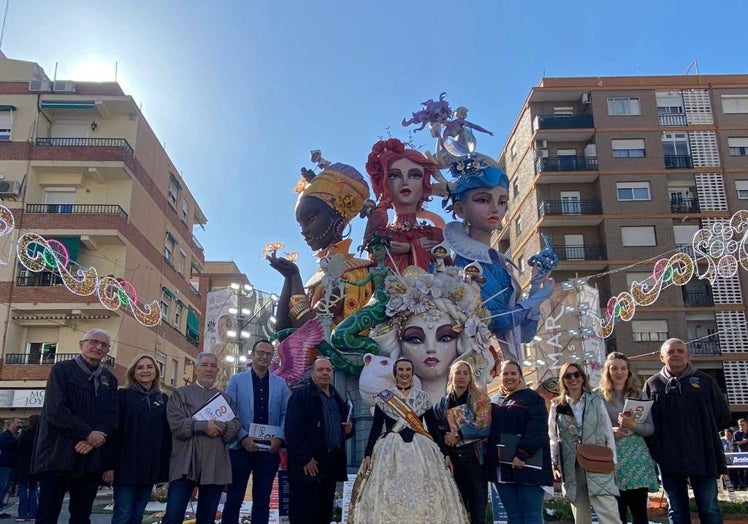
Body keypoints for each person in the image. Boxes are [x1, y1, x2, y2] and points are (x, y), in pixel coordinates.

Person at [442, 155, 553, 361]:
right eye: (483, 200)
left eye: (502, 202)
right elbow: (495, 321)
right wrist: (538, 297)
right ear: (460, 209)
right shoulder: (466, 264)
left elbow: (525, 335)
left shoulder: (498, 261)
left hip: (505, 365)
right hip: (471, 360)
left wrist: (536, 285)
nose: (495, 209)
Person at [349, 358, 468, 524]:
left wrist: (445, 454)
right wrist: (368, 454)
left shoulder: (422, 397)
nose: (404, 373)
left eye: (408, 370)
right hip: (390, 450)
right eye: (401, 370)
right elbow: (376, 428)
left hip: (421, 450)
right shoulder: (384, 398)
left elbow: (433, 428)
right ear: (395, 373)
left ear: (412, 373)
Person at [367, 265, 495, 404]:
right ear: (398, 344)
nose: (430, 348)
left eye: (445, 338)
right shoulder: (387, 404)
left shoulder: (476, 404)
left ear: (462, 342)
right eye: (415, 339)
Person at [32, 328, 119, 524]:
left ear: (108, 350)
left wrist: (96, 438)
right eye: (93, 342)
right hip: (57, 456)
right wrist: (88, 434)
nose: (98, 347)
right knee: (47, 515)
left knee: (81, 516)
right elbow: (56, 410)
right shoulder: (61, 370)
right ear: (82, 344)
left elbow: (113, 416)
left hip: (90, 460)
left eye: (103, 345)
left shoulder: (109, 380)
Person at [644, 338, 730, 524]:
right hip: (668, 458)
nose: (676, 354)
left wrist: (700, 434)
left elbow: (722, 415)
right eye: (671, 352)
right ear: (661, 357)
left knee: (709, 508)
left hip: (703, 455)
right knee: (676, 510)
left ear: (688, 356)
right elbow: (646, 420)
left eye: (680, 351)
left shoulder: (705, 382)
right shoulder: (652, 385)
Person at [162, 352, 241, 524]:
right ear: (196, 369)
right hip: (185, 463)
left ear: (217, 370)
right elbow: (176, 425)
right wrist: (204, 426)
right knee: (173, 516)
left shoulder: (225, 399)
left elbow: (235, 425)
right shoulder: (180, 394)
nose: (209, 369)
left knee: (207, 518)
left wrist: (221, 427)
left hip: (215, 464)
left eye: (213, 366)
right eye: (204, 365)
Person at [222, 340, 290, 524]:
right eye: (260, 352)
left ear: (272, 358)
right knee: (233, 500)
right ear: (252, 355)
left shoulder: (281, 384)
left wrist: (280, 438)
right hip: (240, 448)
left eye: (268, 354)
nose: (264, 357)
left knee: (262, 502)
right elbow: (229, 412)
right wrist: (242, 437)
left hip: (269, 451)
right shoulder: (236, 381)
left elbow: (286, 413)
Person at [549, 362, 620, 524]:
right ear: (563, 380)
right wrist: (554, 463)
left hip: (598, 460)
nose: (573, 378)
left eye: (576, 374)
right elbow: (553, 436)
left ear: (582, 378)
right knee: (581, 515)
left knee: (608, 511)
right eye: (568, 376)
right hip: (571, 464)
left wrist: (613, 460)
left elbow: (607, 430)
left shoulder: (596, 400)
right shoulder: (557, 405)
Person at [284, 357, 353, 524]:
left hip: (330, 463)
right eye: (320, 369)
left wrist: (349, 430)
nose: (324, 373)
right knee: (304, 513)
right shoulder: (301, 396)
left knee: (324, 513)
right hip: (308, 465)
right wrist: (306, 459)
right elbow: (292, 431)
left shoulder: (337, 398)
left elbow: (341, 428)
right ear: (312, 372)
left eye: (328, 370)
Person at [363, 138, 444, 272]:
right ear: (383, 182)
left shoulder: (435, 235)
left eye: (415, 175)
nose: (405, 182)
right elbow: (373, 264)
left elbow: (447, 273)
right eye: (394, 176)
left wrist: (412, 248)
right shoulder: (382, 234)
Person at [487, 360, 553, 524]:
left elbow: (537, 429)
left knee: (531, 517)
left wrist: (522, 454)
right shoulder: (494, 400)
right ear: (500, 376)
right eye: (505, 373)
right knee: (513, 517)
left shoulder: (532, 398)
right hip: (502, 467)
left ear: (520, 376)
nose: (509, 377)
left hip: (527, 465)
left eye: (513, 373)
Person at [108, 354, 171, 524]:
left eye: (149, 367)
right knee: (123, 514)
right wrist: (109, 466)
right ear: (133, 372)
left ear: (156, 372)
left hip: (149, 469)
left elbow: (167, 437)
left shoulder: (163, 399)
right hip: (125, 468)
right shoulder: (121, 396)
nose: (145, 371)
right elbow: (112, 433)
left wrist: (164, 471)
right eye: (140, 367)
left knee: (137, 515)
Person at [597, 352, 658, 524]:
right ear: (607, 371)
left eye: (623, 368)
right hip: (611, 456)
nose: (619, 372)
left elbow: (650, 429)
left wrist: (634, 426)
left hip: (636, 457)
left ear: (629, 371)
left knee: (639, 512)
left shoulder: (639, 395)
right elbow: (591, 429)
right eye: (614, 368)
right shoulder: (596, 396)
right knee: (617, 512)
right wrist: (610, 432)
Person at [434, 361, 492, 524]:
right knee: (456, 505)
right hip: (452, 459)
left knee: (477, 505)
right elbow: (436, 427)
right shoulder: (443, 402)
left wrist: (458, 434)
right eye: (458, 373)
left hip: (474, 457)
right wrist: (444, 438)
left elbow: (484, 426)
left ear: (470, 377)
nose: (461, 377)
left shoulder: (480, 398)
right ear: (452, 376)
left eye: (465, 373)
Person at [15, 415, 39, 521]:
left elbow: (19, 448)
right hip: (35, 464)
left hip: (23, 464)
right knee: (33, 489)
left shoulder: (25, 434)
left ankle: (23, 514)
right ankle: (33, 512)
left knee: (23, 489)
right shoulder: (40, 435)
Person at [0, 417, 19, 512]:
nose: (19, 424)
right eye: (17, 422)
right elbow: (8, 445)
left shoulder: (12, 436)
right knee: (2, 486)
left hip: (10, 464)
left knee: (5, 487)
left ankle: (1, 506)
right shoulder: (4, 436)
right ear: (12, 424)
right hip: (4, 464)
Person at [733, 419, 748, 489]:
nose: (740, 426)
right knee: (740, 470)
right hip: (741, 455)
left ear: (746, 425)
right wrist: (743, 441)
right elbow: (734, 443)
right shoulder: (736, 433)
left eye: (742, 425)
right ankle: (741, 485)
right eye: (739, 425)